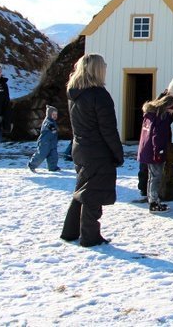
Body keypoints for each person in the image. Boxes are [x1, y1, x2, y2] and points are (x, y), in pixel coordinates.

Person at [60, 54, 123, 247]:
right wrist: (117, 153)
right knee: (92, 194)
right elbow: (108, 129)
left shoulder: (75, 93)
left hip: (80, 148)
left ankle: (70, 231)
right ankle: (89, 236)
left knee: (81, 190)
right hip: (97, 150)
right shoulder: (99, 95)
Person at [137, 78, 173, 202]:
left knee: (156, 168)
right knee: (150, 167)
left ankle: (155, 191)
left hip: (159, 136)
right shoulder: (161, 103)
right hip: (156, 136)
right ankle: (147, 192)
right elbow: (157, 126)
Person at [28, 105, 61, 172]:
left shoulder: (53, 122)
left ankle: (53, 167)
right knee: (41, 154)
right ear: (49, 114)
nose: (55, 116)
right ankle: (32, 165)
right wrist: (52, 128)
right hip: (44, 142)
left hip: (52, 143)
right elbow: (48, 125)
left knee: (53, 155)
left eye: (56, 114)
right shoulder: (48, 121)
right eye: (53, 114)